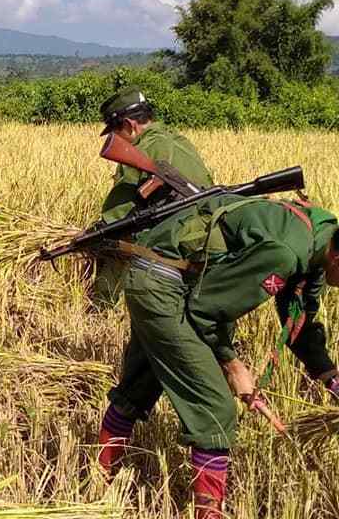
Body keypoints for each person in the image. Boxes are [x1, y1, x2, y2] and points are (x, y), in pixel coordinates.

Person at [97, 193, 339, 518]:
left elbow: (299, 317)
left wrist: (329, 375)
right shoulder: (286, 254)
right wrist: (232, 363)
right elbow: (205, 310)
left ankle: (100, 478)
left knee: (143, 381)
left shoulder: (320, 240)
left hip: (160, 272)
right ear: (338, 258)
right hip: (165, 281)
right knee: (216, 409)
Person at [92, 86, 214, 305]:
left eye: (115, 131)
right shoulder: (177, 140)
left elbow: (117, 214)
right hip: (208, 231)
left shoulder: (144, 147)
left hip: (182, 237)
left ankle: (100, 307)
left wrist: (95, 233)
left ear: (129, 125)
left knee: (114, 245)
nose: (115, 138)